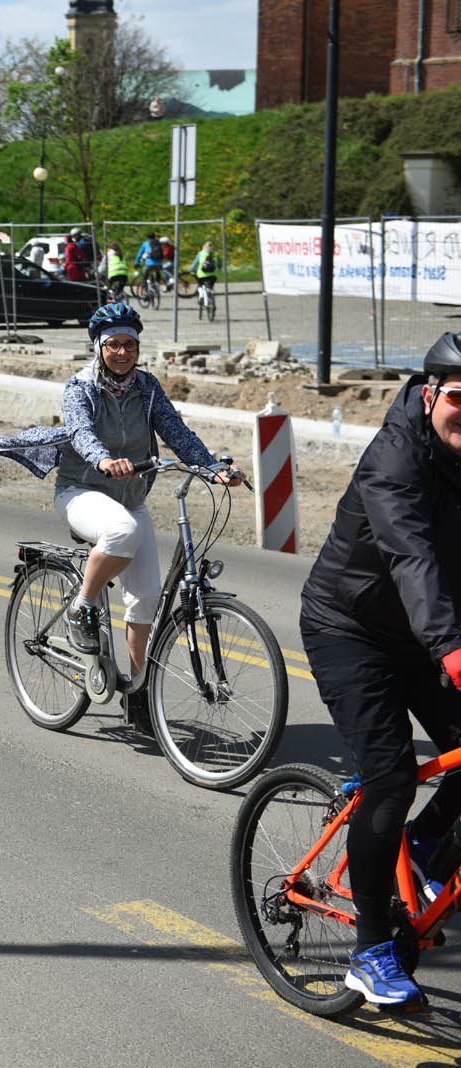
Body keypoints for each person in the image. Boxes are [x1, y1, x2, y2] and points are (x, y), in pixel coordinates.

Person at [296, 333, 461, 1011]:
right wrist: (453, 651)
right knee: (391, 777)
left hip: (424, 629)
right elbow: (412, 558)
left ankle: (422, 849)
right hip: (350, 629)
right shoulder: (393, 459)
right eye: (460, 398)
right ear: (430, 396)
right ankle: (368, 953)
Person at [0, 302, 237, 724]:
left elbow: (178, 433)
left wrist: (212, 468)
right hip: (81, 491)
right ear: (98, 347)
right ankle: (84, 606)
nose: (122, 353)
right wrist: (102, 459)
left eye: (129, 345)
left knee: (147, 599)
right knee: (121, 530)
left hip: (130, 495)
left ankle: (138, 695)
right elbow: (80, 431)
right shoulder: (80, 387)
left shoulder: (148, 388)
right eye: (113, 345)